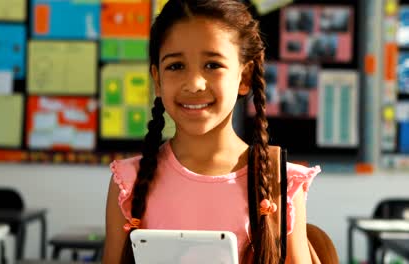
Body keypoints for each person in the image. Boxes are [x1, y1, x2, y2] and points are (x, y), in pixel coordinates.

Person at [103, 0, 321, 263]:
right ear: (157, 80)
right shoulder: (129, 184)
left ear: (244, 77)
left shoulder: (279, 183)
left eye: (212, 65)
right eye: (175, 66)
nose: (194, 84)